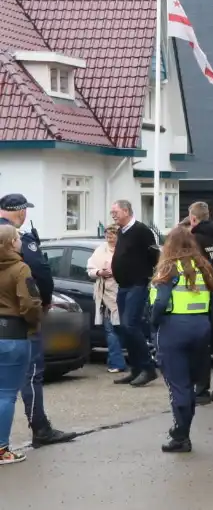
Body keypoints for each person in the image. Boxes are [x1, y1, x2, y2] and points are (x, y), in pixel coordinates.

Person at [0, 194, 78, 449]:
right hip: (17, 325)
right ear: (21, 212)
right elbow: (41, 275)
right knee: (29, 377)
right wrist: (42, 306)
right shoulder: (17, 242)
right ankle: (40, 428)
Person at [149, 226, 213, 453]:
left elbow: (160, 302)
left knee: (178, 385)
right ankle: (182, 432)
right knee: (190, 384)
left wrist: (153, 322)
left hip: (173, 329)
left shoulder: (169, 268)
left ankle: (180, 435)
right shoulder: (203, 267)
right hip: (201, 327)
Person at [0, 225, 40, 464]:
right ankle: (2, 449)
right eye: (17, 238)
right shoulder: (20, 268)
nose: (20, 242)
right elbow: (30, 303)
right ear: (11, 243)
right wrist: (34, 324)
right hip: (13, 334)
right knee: (6, 394)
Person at [109, 199, 159, 387]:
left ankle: (148, 368)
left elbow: (154, 255)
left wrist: (146, 276)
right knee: (125, 328)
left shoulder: (142, 231)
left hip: (137, 284)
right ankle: (136, 369)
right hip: (123, 285)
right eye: (112, 212)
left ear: (127, 211)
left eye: (116, 212)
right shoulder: (122, 231)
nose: (113, 215)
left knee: (131, 325)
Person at [187, 202, 213, 404]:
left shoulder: (193, 240)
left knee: (202, 345)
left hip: (201, 296)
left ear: (193, 218)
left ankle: (201, 391)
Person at [87, 226, 126, 374]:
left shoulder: (123, 249)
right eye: (107, 234)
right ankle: (116, 362)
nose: (110, 237)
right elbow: (90, 270)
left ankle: (117, 360)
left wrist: (116, 272)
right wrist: (99, 272)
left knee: (122, 328)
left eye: (113, 234)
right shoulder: (100, 250)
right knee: (111, 329)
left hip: (122, 292)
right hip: (105, 296)